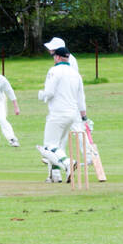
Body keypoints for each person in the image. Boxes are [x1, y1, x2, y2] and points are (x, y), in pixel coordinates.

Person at [36, 46, 87, 183]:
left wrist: (41, 95)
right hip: (72, 115)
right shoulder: (76, 74)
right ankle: (55, 175)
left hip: (58, 114)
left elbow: (49, 92)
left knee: (48, 147)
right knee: (57, 146)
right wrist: (84, 117)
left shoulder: (54, 71)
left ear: (57, 57)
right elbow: (81, 98)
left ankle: (69, 163)